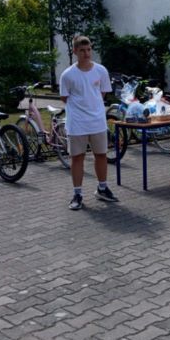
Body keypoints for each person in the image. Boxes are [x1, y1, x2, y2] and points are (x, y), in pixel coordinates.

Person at [59, 35, 118, 210]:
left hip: (97, 121)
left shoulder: (101, 70)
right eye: (82, 50)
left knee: (101, 155)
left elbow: (102, 93)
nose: (86, 53)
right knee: (77, 157)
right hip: (77, 123)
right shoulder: (67, 75)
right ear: (75, 51)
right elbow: (64, 97)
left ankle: (102, 188)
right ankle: (77, 194)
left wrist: (93, 107)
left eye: (89, 49)